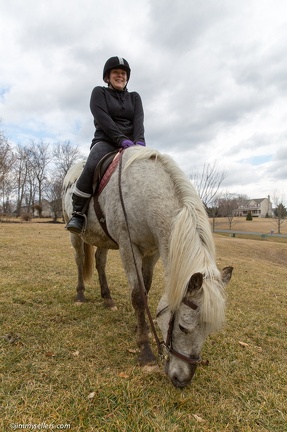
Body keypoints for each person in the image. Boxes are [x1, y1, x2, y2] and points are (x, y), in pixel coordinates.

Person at [66, 56, 146, 234]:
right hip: (106, 141)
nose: (120, 76)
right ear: (107, 77)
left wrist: (139, 142)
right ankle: (78, 212)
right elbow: (103, 119)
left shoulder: (135, 97)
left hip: (132, 144)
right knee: (92, 163)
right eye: (116, 73)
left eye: (123, 73)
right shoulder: (99, 93)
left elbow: (139, 121)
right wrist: (120, 140)